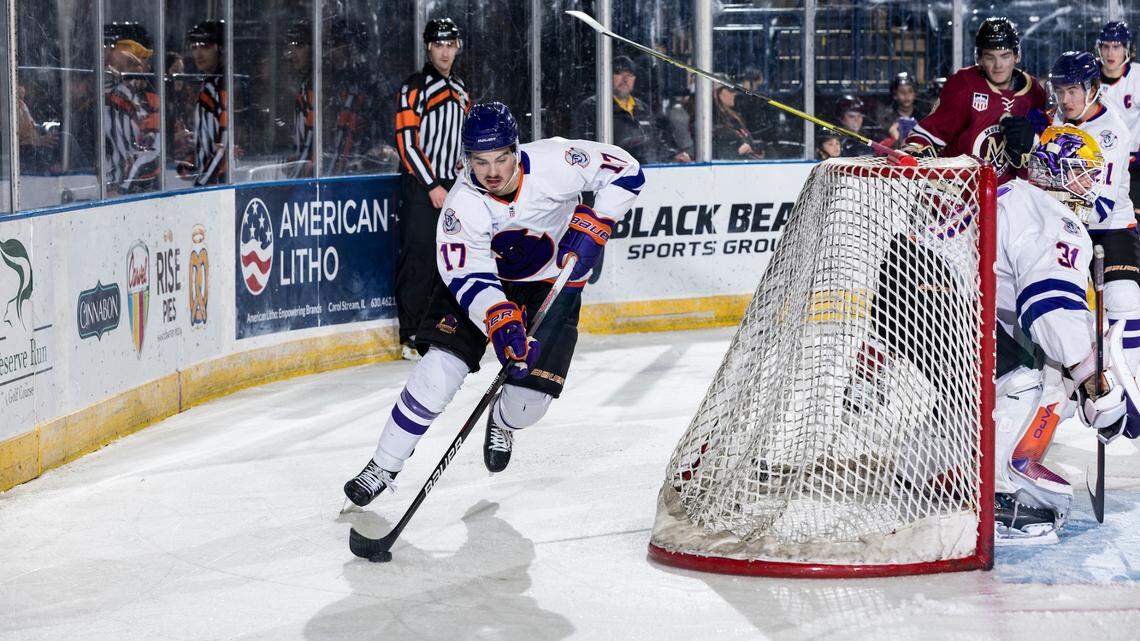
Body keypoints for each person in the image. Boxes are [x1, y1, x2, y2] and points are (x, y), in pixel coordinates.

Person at [343, 102, 645, 505]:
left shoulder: (558, 161)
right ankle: (383, 464)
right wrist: (497, 317)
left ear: (516, 150)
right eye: (481, 161)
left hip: (551, 284)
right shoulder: (461, 204)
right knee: (438, 372)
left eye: (502, 158)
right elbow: (466, 274)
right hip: (485, 287)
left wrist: (599, 221)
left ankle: (502, 419)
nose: (493, 172)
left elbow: (627, 169)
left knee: (527, 407)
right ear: (467, 159)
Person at [1039, 52, 1140, 373]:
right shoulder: (1055, 119)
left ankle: (1132, 381)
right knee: (1056, 308)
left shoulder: (1112, 133)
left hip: (1110, 229)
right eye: (1059, 91)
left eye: (1072, 91)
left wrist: (1056, 184)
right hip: (1063, 226)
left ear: (1093, 88)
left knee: (1123, 301)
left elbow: (1099, 209)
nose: (1064, 100)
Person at [394, 17, 471, 361]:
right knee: (419, 260)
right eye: (438, 44)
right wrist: (432, 185)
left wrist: (460, 177)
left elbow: (463, 145)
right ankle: (410, 335)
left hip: (452, 188)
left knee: (447, 263)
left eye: (449, 44)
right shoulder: (414, 87)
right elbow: (407, 143)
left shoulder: (461, 91)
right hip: (421, 188)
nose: (444, 51)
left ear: (457, 47)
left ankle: (435, 332)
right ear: (428, 46)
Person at [904, 17, 1046, 182]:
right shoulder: (964, 84)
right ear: (979, 58)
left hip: (1010, 194)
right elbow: (930, 133)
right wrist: (915, 150)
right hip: (959, 189)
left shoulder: (1034, 92)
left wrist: (1029, 147)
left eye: (1005, 56)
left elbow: (1043, 151)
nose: (998, 65)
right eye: (990, 57)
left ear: (1016, 56)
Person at [573, 55, 690, 164]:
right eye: (619, 73)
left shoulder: (643, 108)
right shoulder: (593, 107)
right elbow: (585, 149)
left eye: (629, 75)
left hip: (647, 172)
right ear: (607, 76)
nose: (625, 79)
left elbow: (656, 143)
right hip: (614, 176)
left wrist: (672, 155)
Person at [103, 22, 160, 195]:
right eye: (139, 59)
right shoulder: (113, 96)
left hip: (134, 186)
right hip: (120, 186)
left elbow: (152, 151)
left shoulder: (143, 99)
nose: (145, 67)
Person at [1095, 21, 1140, 219]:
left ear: (1127, 49)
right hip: (1098, 161)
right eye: (1106, 46)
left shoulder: (1137, 77)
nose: (1110, 53)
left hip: (1134, 163)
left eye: (1117, 46)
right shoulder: (1089, 77)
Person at [176, 20, 227, 186]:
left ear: (221, 48)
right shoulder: (208, 84)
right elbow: (211, 138)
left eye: (205, 45)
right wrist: (192, 158)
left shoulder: (224, 86)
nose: (198, 53)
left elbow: (225, 144)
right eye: (194, 46)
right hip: (212, 180)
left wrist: (203, 182)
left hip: (219, 183)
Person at [285, 20, 314, 179]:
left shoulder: (317, 85)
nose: (294, 52)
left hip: (311, 171)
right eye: (292, 46)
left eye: (300, 46)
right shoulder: (303, 83)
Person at [873, 72, 927, 148]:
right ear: (895, 95)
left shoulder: (923, 118)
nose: (906, 95)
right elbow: (878, 148)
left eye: (910, 91)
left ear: (915, 94)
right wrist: (894, 140)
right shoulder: (886, 119)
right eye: (902, 92)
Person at [712, 86, 762, 160]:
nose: (734, 94)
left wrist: (755, 149)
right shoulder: (712, 118)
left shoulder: (733, 116)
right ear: (719, 93)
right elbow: (718, 151)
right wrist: (737, 152)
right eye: (730, 90)